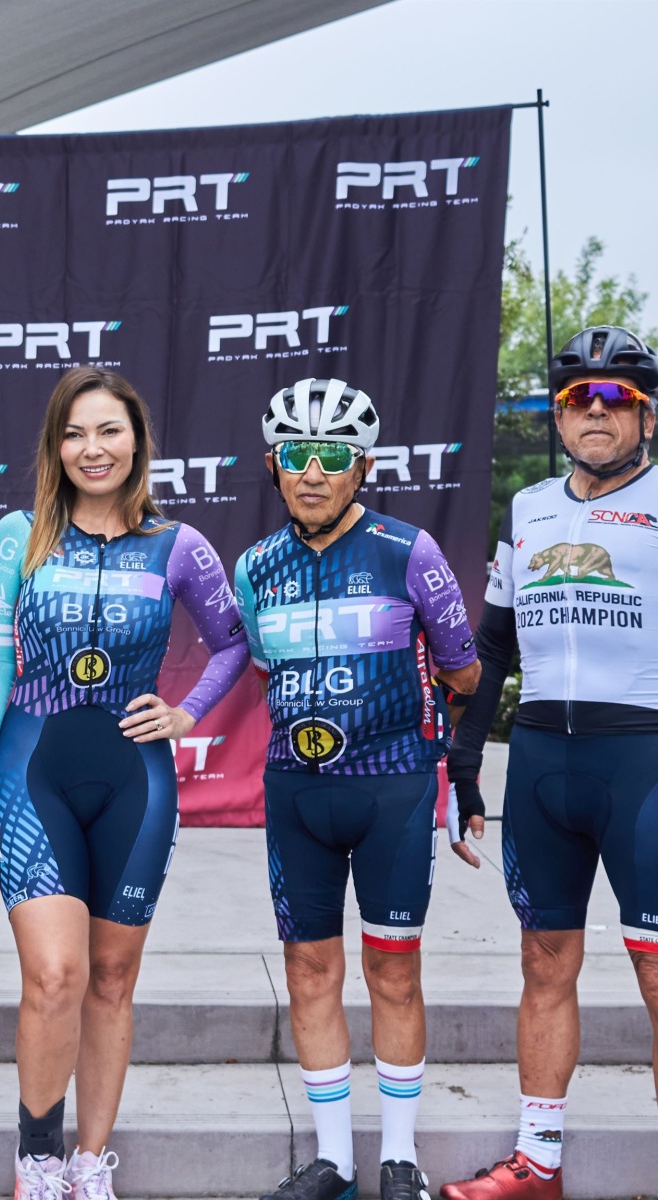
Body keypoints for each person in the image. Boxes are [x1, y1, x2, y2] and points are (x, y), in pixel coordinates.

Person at [441, 327, 658, 1200]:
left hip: (641, 769)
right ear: (558, 415)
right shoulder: (529, 509)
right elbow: (491, 648)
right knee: (544, 963)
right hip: (541, 767)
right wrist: (462, 764)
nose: (596, 412)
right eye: (579, 397)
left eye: (618, 398)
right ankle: (537, 1161)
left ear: (647, 416)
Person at [0, 366, 248, 1200]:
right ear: (55, 447)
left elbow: (233, 642)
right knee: (56, 974)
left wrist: (188, 712)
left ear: (137, 441)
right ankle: (37, 1160)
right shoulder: (18, 535)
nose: (94, 448)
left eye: (109, 431)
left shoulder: (179, 545)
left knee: (113, 980)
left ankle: (89, 1163)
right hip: (32, 770)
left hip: (135, 781)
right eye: (75, 433)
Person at [234, 378, 482, 1200]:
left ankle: (400, 1156)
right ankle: (334, 1159)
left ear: (363, 467)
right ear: (275, 464)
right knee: (309, 970)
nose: (313, 472)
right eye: (297, 454)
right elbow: (266, 670)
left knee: (393, 972)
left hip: (393, 791)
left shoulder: (409, 550)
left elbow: (464, 671)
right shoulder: (255, 566)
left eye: (332, 456)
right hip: (297, 794)